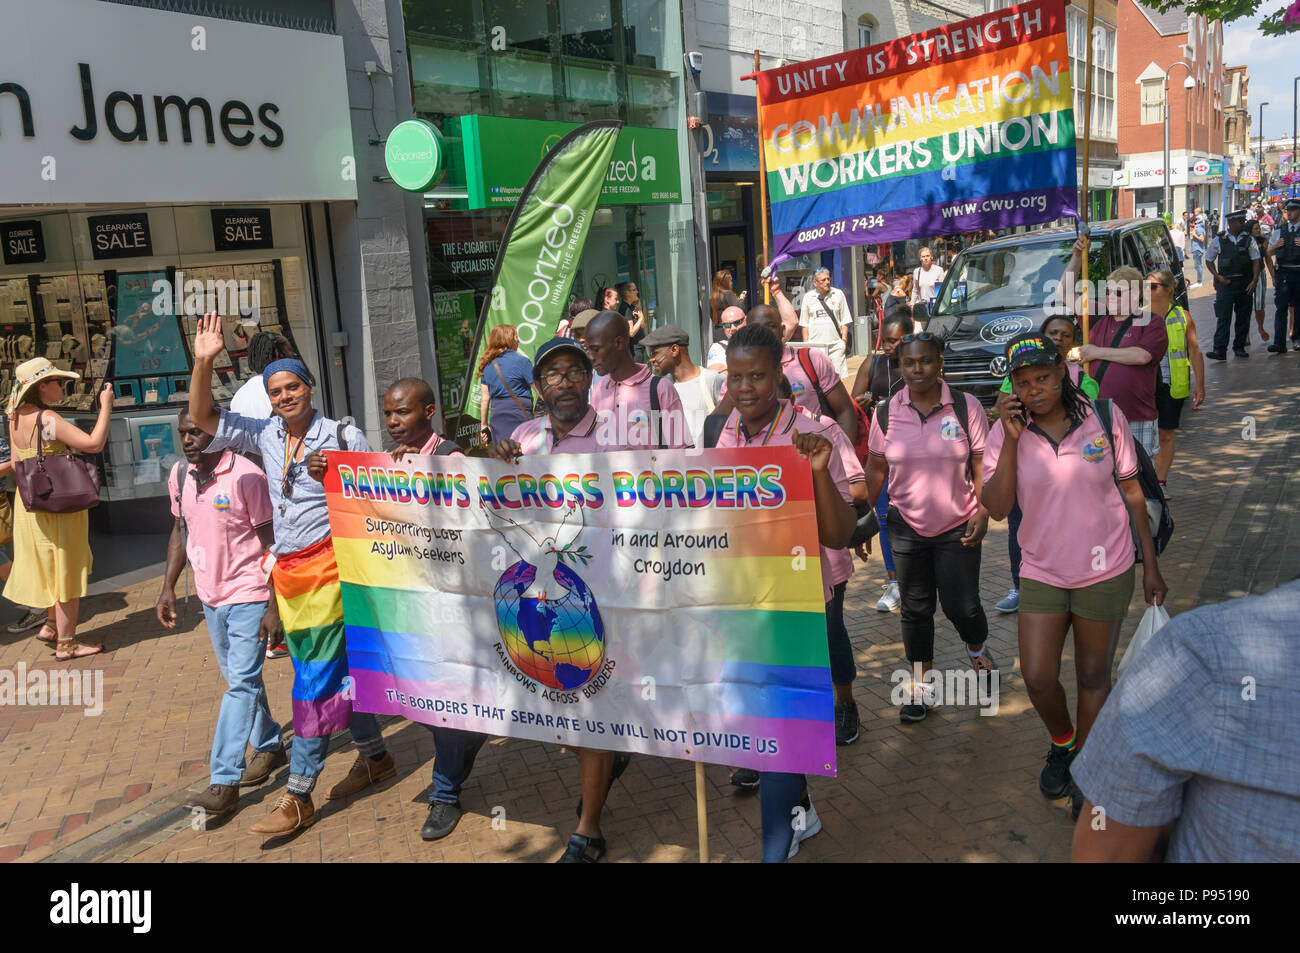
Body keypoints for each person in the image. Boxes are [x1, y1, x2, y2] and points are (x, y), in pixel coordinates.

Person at [188, 312, 393, 836]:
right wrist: (204, 362)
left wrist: (342, 473)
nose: (284, 397)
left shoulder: (343, 432)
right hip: (290, 575)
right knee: (337, 671)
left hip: (334, 568)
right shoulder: (265, 435)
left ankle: (298, 792)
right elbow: (203, 417)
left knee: (314, 681)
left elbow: (380, 496)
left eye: (292, 387)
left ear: (309, 387)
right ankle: (374, 757)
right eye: (275, 391)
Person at [983, 332, 1167, 820]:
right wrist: (1009, 442)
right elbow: (998, 508)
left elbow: (1132, 492)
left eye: (1043, 377)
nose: (1034, 390)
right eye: (1023, 383)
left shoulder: (1103, 416)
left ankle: (1088, 762)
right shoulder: (1006, 431)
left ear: (1062, 373)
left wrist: (1150, 564)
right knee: (1039, 676)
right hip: (1042, 569)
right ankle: (1063, 742)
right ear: (1013, 386)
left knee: (1092, 674)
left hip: (1106, 569)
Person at [487, 337, 640, 862]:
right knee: (569, 715)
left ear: (590, 380)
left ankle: (587, 831)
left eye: (575, 371)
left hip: (610, 588)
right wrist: (497, 462)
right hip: (544, 594)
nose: (565, 383)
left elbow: (658, 502)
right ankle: (608, 755)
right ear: (537, 389)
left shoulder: (621, 437)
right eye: (552, 375)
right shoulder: (526, 437)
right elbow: (498, 501)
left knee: (588, 702)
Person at [710, 324, 857, 860]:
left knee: (779, 723)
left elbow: (841, 533)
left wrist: (815, 470)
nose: (745, 387)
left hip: (798, 602)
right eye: (736, 376)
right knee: (769, 721)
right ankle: (803, 812)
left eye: (758, 376)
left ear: (779, 376)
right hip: (741, 601)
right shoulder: (723, 434)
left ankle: (775, 845)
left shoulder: (817, 435)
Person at [1071, 580, 1298, 862]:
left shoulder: (1207, 646)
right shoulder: (1203, 649)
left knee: (1092, 675)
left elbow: (1105, 849)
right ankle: (1062, 749)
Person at [156, 409, 286, 821]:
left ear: (218, 432)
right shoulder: (179, 475)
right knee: (239, 680)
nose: (189, 439)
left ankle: (224, 780)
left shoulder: (247, 476)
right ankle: (269, 744)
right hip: (209, 596)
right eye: (183, 433)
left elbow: (272, 544)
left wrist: (273, 602)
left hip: (248, 593)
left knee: (242, 684)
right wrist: (168, 587)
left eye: (197, 431)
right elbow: (180, 531)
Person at [864, 333, 995, 723]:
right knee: (916, 610)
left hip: (959, 525)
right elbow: (875, 467)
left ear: (940, 363)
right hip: (905, 525)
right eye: (909, 363)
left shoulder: (965, 406)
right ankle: (922, 690)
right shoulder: (887, 412)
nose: (917, 369)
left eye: (925, 361)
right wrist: (864, 519)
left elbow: (982, 463)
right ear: (900, 367)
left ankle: (978, 652)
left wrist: (983, 509)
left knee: (962, 606)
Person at [379, 377, 487, 841]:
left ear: (428, 412)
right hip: (412, 601)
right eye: (387, 414)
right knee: (425, 700)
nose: (392, 423)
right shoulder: (388, 464)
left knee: (444, 700)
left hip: (456, 604)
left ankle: (444, 794)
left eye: (401, 412)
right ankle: (473, 735)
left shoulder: (453, 461)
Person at [4, 359, 113, 660]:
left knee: (49, 566)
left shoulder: (13, 415)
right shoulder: (46, 418)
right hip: (59, 505)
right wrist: (106, 406)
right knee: (66, 568)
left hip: (30, 504)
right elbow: (93, 444)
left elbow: (16, 464)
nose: (63, 387)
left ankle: (51, 626)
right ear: (42, 387)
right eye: (59, 382)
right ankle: (67, 643)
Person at [993, 316, 1101, 614]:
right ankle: (1019, 586)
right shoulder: (1014, 381)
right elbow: (1001, 409)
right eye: (1053, 332)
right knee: (1020, 529)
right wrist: (1010, 434)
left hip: (1076, 490)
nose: (1033, 389)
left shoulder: (1086, 383)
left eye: (1066, 335)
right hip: (1028, 485)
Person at [1063, 245, 1167, 458]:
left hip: (1137, 417)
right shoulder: (1097, 314)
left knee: (1140, 476)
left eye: (1118, 293)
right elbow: (1065, 292)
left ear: (1137, 294)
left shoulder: (1151, 322)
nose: (1110, 297)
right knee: (1101, 474)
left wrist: (1096, 352)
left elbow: (1141, 355)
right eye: (1108, 291)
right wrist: (1076, 257)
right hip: (1097, 415)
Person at [717, 295, 860, 443]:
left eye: (770, 326)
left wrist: (841, 452)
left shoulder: (813, 359)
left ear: (783, 329)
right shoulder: (737, 378)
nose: (765, 334)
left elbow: (845, 411)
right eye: (757, 329)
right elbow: (719, 421)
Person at [849, 312, 912, 612]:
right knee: (883, 516)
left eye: (894, 341)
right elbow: (851, 402)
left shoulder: (917, 365)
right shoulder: (873, 364)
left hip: (914, 455)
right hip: (879, 454)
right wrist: (861, 401)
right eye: (884, 341)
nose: (888, 347)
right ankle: (894, 582)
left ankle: (918, 577)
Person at [584, 311, 690, 450]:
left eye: (595, 349)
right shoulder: (600, 389)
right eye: (587, 350)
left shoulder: (660, 389)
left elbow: (682, 451)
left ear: (619, 343)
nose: (590, 357)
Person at [1146, 269, 1205, 491]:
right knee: (1145, 434)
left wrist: (1200, 385)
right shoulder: (1137, 315)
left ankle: (1160, 483)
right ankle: (1145, 479)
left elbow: (1195, 351)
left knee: (1165, 434)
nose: (1147, 291)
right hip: (1145, 385)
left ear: (1169, 289)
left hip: (1172, 385)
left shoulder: (1183, 316)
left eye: (1153, 286)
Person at [643, 324, 723, 446]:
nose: (652, 359)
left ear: (674, 350)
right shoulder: (661, 389)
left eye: (655, 353)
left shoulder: (713, 380)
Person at [1204, 209, 1261, 360]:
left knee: (1243, 317)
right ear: (1231, 223)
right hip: (1226, 284)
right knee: (1224, 318)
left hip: (1244, 283)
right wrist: (1218, 277)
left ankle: (1239, 347)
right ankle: (1220, 350)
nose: (1243, 224)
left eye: (1243, 221)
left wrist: (1254, 280)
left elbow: (1256, 260)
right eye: (1240, 222)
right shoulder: (1219, 240)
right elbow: (1209, 260)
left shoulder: (1249, 239)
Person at [476, 324, 533, 445]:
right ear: (509, 339)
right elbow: (539, 389)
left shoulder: (487, 366)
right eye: (516, 336)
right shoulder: (522, 362)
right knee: (525, 454)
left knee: (503, 457)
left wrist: (484, 426)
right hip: (521, 418)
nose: (518, 340)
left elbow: (485, 399)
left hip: (497, 421)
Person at [797, 267, 853, 377]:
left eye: (828, 279)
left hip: (836, 347)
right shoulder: (808, 297)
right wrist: (806, 345)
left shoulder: (838, 294)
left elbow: (845, 320)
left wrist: (844, 341)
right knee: (818, 379)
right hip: (816, 347)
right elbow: (805, 324)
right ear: (815, 283)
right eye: (823, 280)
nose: (827, 282)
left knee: (838, 379)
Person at [230, 331, 294, 419]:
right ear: (278, 357)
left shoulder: (240, 394)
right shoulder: (285, 390)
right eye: (288, 353)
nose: (292, 358)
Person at [1266, 198, 1300, 353]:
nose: (1289, 213)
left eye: (1293, 210)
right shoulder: (1280, 231)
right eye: (1288, 210)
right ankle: (1279, 342)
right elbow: (1268, 253)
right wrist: (1275, 246)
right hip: (1284, 274)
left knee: (1299, 308)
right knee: (1281, 309)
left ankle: (1297, 338)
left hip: (1298, 273)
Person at [1250, 219, 1272, 344]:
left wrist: (1273, 276)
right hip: (1247, 276)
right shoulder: (1246, 241)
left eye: (1259, 228)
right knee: (1245, 305)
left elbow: (1268, 259)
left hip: (1260, 274)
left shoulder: (1264, 241)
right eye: (1256, 229)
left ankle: (1260, 327)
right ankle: (1246, 333)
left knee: (1259, 303)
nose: (1258, 231)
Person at [910, 246, 946, 323]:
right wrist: (912, 304)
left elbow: (942, 290)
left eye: (927, 256)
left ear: (931, 257)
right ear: (920, 258)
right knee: (924, 332)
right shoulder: (917, 272)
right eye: (923, 256)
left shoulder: (939, 270)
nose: (925, 258)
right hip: (923, 309)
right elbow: (915, 290)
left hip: (936, 308)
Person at [709, 270, 745, 343]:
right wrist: (741, 298)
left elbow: (711, 315)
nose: (732, 283)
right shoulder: (728, 294)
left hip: (717, 331)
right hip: (728, 331)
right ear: (725, 282)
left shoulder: (712, 297)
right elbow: (739, 310)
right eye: (730, 281)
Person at [615, 281, 648, 363]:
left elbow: (643, 325)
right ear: (627, 293)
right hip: (634, 351)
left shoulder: (632, 307)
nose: (637, 292)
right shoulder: (625, 308)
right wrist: (640, 319)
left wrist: (639, 308)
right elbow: (631, 332)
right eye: (634, 290)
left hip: (640, 349)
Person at [706, 306, 746, 372]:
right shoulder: (718, 348)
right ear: (723, 327)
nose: (733, 328)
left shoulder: (759, 343)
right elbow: (716, 375)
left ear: (746, 320)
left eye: (737, 322)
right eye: (727, 325)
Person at [1189, 207, 1206, 287]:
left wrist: (1194, 234)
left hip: (1198, 249)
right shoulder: (1199, 226)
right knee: (1197, 265)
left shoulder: (1199, 228)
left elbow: (1202, 239)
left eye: (1190, 223)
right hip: (1197, 249)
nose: (1189, 225)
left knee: (1198, 265)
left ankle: (1199, 281)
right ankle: (1199, 281)